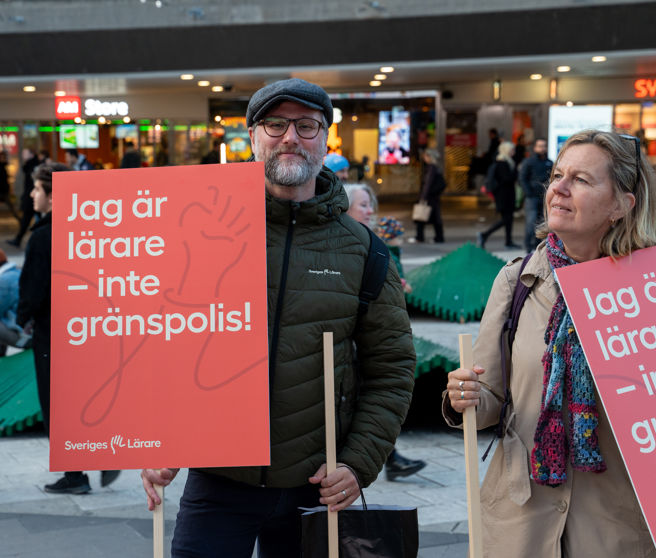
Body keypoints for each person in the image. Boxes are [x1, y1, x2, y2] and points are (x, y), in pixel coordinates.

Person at [141, 78, 415, 556]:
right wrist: (157, 439)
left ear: (325, 139)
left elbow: (391, 370)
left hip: (316, 485)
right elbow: (157, 343)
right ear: (253, 137)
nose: (290, 136)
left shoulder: (364, 251)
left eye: (306, 126)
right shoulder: (199, 231)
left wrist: (357, 463)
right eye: (275, 123)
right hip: (218, 481)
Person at [443, 130, 656, 557]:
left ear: (622, 204)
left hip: (614, 528)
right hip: (521, 522)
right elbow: (490, 399)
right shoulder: (517, 280)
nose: (558, 190)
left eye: (581, 180)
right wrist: (466, 395)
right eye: (557, 175)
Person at [17, 162, 119, 494]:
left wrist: (22, 318)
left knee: (57, 404)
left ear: (52, 194)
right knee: (91, 397)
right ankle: (110, 452)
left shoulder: (43, 236)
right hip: (90, 327)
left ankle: (75, 475)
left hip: (53, 332)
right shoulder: (90, 228)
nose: (32, 194)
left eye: (36, 189)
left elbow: (33, 290)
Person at [343, 183, 425, 480]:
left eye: (369, 205)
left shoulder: (374, 243)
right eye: (362, 204)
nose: (369, 211)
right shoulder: (338, 248)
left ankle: (390, 457)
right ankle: (391, 458)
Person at [478, 140, 519, 249]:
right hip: (504, 195)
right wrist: (516, 172)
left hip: (506, 194)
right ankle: (485, 234)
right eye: (512, 150)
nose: (514, 152)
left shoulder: (507, 162)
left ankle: (508, 241)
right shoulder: (503, 163)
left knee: (508, 219)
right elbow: (507, 179)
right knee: (506, 219)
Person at [519, 137, 553, 253]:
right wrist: (528, 192)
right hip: (532, 197)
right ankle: (528, 246)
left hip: (544, 197)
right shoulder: (529, 162)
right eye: (540, 146)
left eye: (544, 146)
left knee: (542, 222)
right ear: (535, 148)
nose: (542, 148)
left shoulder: (549, 162)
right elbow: (522, 178)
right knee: (531, 222)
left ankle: (537, 246)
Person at [8, 148, 42, 247]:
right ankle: (19, 239)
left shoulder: (34, 166)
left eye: (25, 153)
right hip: (32, 196)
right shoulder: (29, 165)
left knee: (29, 219)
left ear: (31, 155)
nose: (23, 155)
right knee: (29, 219)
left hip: (33, 197)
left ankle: (19, 239)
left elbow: (34, 182)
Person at [414, 149, 446, 243]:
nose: (424, 158)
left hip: (429, 197)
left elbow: (428, 183)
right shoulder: (436, 167)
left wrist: (423, 197)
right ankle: (438, 237)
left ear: (429, 157)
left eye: (426, 156)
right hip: (433, 197)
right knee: (435, 218)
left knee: (421, 216)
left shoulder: (431, 168)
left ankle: (420, 237)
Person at [0, 151, 20, 228]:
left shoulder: (2, 167)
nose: (4, 159)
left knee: (10, 206)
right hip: (0, 191)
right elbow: (0, 181)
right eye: (3, 157)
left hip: (3, 191)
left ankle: (20, 219)